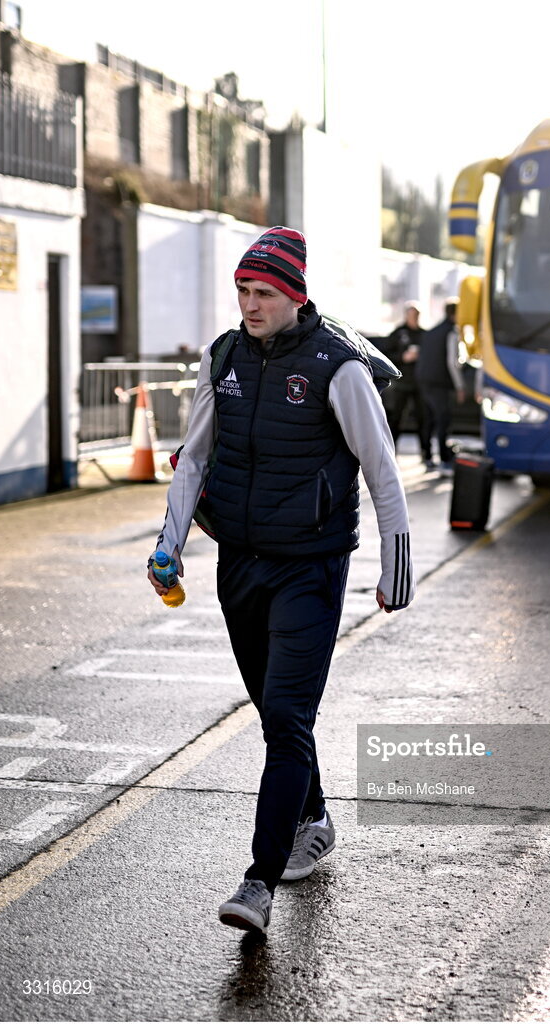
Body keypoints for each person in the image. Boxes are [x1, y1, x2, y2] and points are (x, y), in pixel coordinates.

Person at [147, 226, 415, 936]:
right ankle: (315, 818)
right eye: (243, 290)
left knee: (287, 720)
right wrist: (168, 543)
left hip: (311, 567)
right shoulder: (225, 356)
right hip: (239, 562)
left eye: (264, 292)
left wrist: (395, 566)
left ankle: (258, 881)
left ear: (295, 295)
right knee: (275, 712)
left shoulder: (340, 368)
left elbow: (381, 469)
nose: (250, 303)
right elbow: (194, 459)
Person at [417, 298, 467, 473]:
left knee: (428, 419)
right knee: (443, 419)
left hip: (424, 380)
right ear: (455, 314)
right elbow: (452, 362)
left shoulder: (431, 332)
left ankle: (427, 456)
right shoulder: (451, 332)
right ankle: (445, 459)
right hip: (440, 382)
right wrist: (460, 386)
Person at [384, 301, 432, 466]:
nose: (414, 318)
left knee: (423, 419)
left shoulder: (425, 334)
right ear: (406, 315)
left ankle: (427, 454)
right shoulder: (398, 333)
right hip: (401, 384)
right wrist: (403, 357)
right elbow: (385, 356)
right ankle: (391, 453)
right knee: (396, 419)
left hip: (420, 384)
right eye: (412, 315)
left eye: (417, 315)